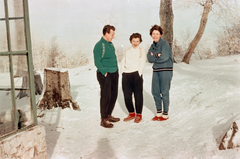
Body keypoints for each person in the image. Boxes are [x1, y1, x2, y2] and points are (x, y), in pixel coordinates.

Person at [93, 25, 120, 128]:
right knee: (106, 96)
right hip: (105, 74)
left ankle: (108, 115)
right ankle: (103, 119)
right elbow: (97, 61)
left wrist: (116, 70)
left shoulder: (110, 44)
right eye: (112, 34)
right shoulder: (99, 45)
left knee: (113, 95)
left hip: (114, 72)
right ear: (106, 33)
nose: (113, 36)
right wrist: (104, 72)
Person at [147, 25, 173, 121]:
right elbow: (149, 58)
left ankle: (165, 114)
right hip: (156, 71)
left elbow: (164, 57)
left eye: (157, 34)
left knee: (164, 92)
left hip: (166, 70)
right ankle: (159, 113)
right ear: (151, 35)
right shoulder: (152, 46)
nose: (155, 35)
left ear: (160, 34)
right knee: (155, 92)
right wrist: (156, 56)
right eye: (153, 34)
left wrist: (155, 57)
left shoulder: (164, 44)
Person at [121, 33, 146, 123]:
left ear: (140, 41)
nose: (135, 43)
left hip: (136, 74)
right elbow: (123, 61)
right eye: (133, 41)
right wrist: (123, 72)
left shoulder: (141, 50)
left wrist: (139, 73)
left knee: (138, 95)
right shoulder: (127, 50)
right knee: (127, 95)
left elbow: (142, 61)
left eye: (137, 41)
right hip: (126, 74)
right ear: (131, 41)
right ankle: (131, 113)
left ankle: (139, 114)